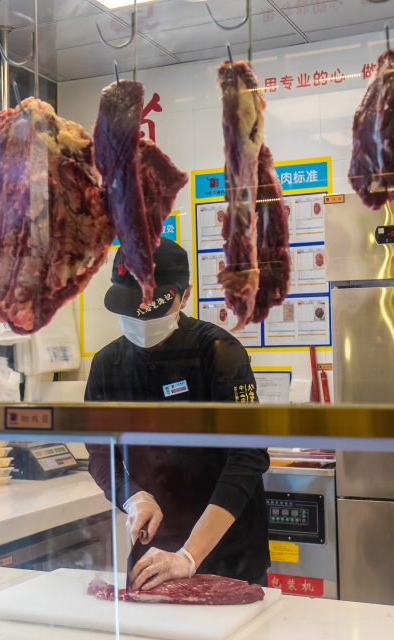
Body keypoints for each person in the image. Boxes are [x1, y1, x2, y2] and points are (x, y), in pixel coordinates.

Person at [86, 238, 269, 592]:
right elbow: (99, 452)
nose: (141, 318)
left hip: (228, 551)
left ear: (184, 297)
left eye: (152, 306)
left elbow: (248, 455)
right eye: (131, 305)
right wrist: (132, 496)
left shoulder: (218, 352)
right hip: (154, 553)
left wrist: (189, 555)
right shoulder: (106, 365)